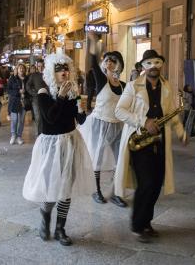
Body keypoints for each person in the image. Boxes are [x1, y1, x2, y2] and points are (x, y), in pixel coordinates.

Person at [115, 49, 186, 243]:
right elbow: (119, 111)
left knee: (155, 185)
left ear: (161, 65)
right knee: (145, 183)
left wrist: (181, 132)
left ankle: (146, 222)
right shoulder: (132, 86)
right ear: (143, 67)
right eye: (149, 63)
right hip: (140, 142)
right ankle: (137, 225)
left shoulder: (167, 87)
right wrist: (144, 121)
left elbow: (172, 112)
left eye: (157, 63)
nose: (153, 67)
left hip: (159, 142)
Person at [22, 53, 92, 246]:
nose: (63, 72)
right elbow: (50, 118)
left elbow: (80, 121)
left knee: (66, 187)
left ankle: (61, 228)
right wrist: (60, 97)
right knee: (52, 187)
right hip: (51, 145)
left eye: (66, 68)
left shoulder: (73, 92)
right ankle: (45, 216)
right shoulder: (44, 92)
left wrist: (82, 110)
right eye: (59, 69)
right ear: (52, 72)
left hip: (70, 141)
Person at [79, 33, 127, 207]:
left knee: (121, 160)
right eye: (106, 60)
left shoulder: (124, 85)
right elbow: (92, 62)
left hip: (118, 125)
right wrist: (93, 43)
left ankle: (116, 193)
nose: (109, 63)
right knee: (97, 159)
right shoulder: (101, 80)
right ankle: (96, 190)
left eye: (113, 61)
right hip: (99, 123)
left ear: (119, 65)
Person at [26, 59, 49, 135]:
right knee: (38, 116)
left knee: (46, 116)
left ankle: (45, 131)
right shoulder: (34, 75)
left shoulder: (48, 74)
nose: (40, 68)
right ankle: (39, 133)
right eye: (39, 66)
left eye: (42, 66)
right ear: (37, 66)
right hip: (36, 99)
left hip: (47, 98)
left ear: (44, 66)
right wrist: (33, 93)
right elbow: (28, 85)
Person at [7, 63, 28, 145]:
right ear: (17, 69)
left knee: (21, 121)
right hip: (14, 101)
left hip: (24, 102)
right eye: (20, 68)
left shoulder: (27, 78)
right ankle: (13, 135)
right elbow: (8, 90)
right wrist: (18, 91)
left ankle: (19, 136)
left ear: (25, 70)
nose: (21, 70)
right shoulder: (13, 78)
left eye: (23, 68)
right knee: (14, 120)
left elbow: (30, 88)